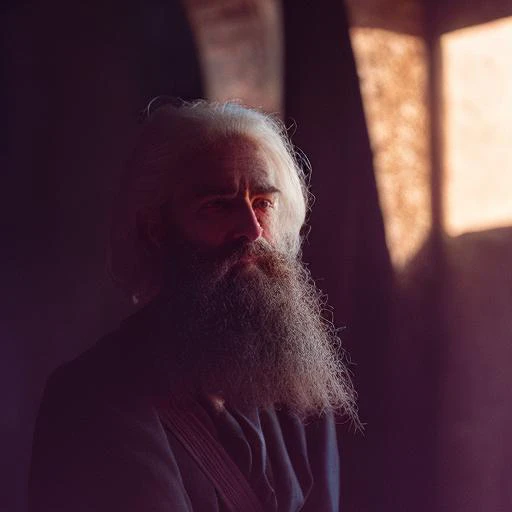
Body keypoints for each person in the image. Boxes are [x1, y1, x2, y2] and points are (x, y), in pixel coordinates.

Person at [29, 100, 358, 511]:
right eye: (217, 205)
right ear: (156, 230)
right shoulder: (90, 401)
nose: (252, 230)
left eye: (263, 202)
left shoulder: (295, 383)